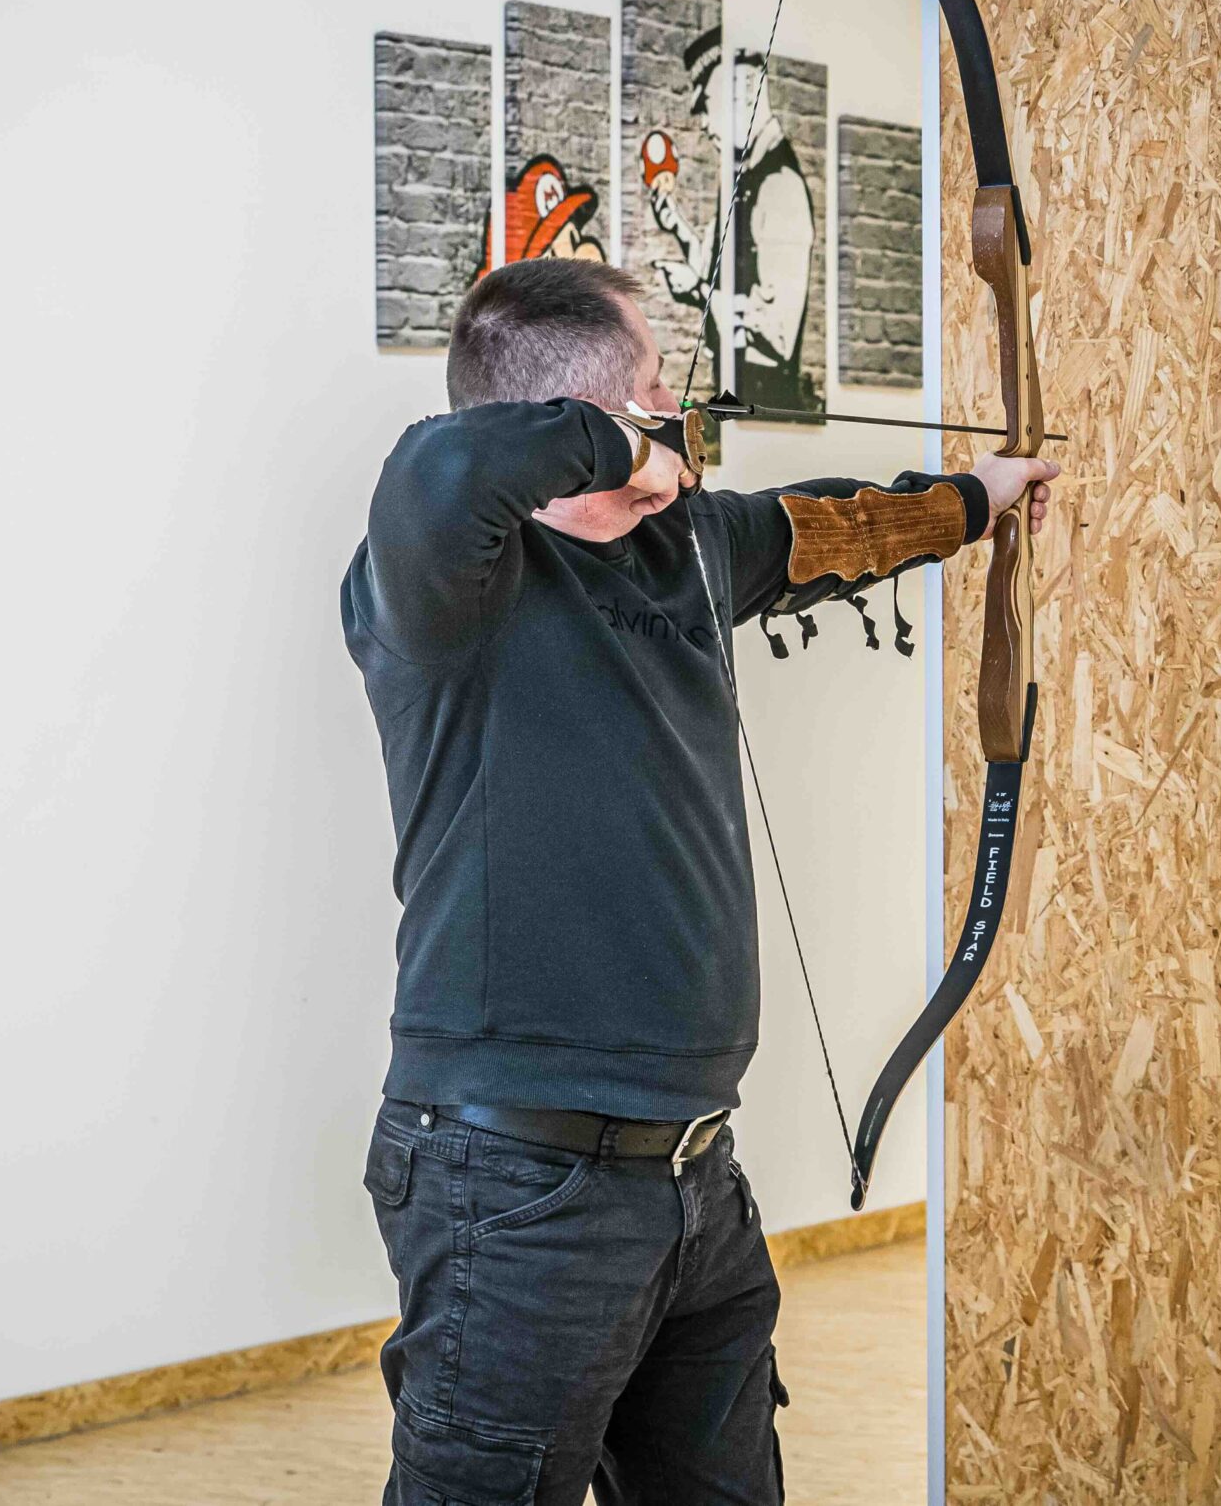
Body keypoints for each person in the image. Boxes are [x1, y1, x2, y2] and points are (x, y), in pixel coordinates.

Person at [342, 258, 1056, 1505]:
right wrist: (615, 442)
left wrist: (975, 499)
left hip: (692, 1183)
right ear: (594, 424)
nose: (679, 414)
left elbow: (837, 531)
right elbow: (436, 469)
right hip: (513, 1183)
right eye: (656, 390)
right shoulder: (444, 585)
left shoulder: (685, 551)